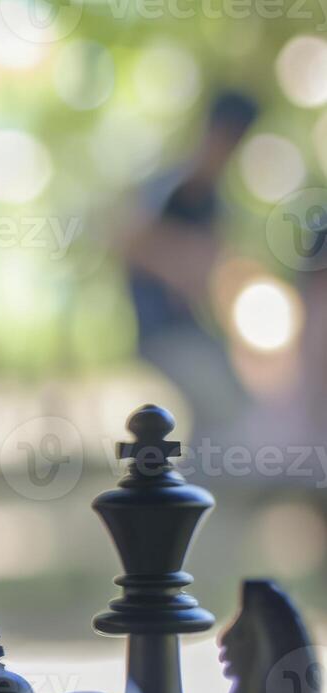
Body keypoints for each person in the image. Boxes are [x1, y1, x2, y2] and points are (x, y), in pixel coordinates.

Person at [119, 89, 260, 437]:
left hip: (196, 333)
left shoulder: (213, 201)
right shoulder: (171, 184)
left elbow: (212, 271)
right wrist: (185, 260)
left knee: (237, 408)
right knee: (221, 408)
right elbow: (126, 238)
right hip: (163, 334)